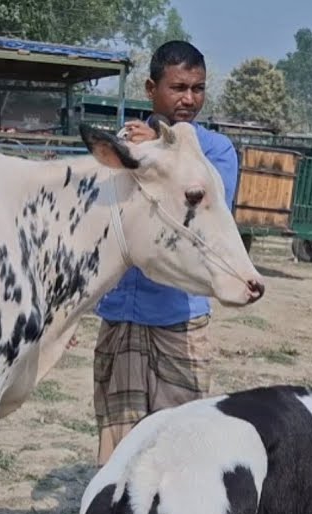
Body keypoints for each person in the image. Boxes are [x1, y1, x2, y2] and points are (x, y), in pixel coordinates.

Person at [87, 39, 239, 466]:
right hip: (122, 312)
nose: (189, 99)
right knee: (117, 442)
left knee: (180, 444)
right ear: (151, 88)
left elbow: (205, 211)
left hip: (180, 317)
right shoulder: (125, 144)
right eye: (178, 87)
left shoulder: (215, 152)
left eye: (198, 88)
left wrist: (163, 144)